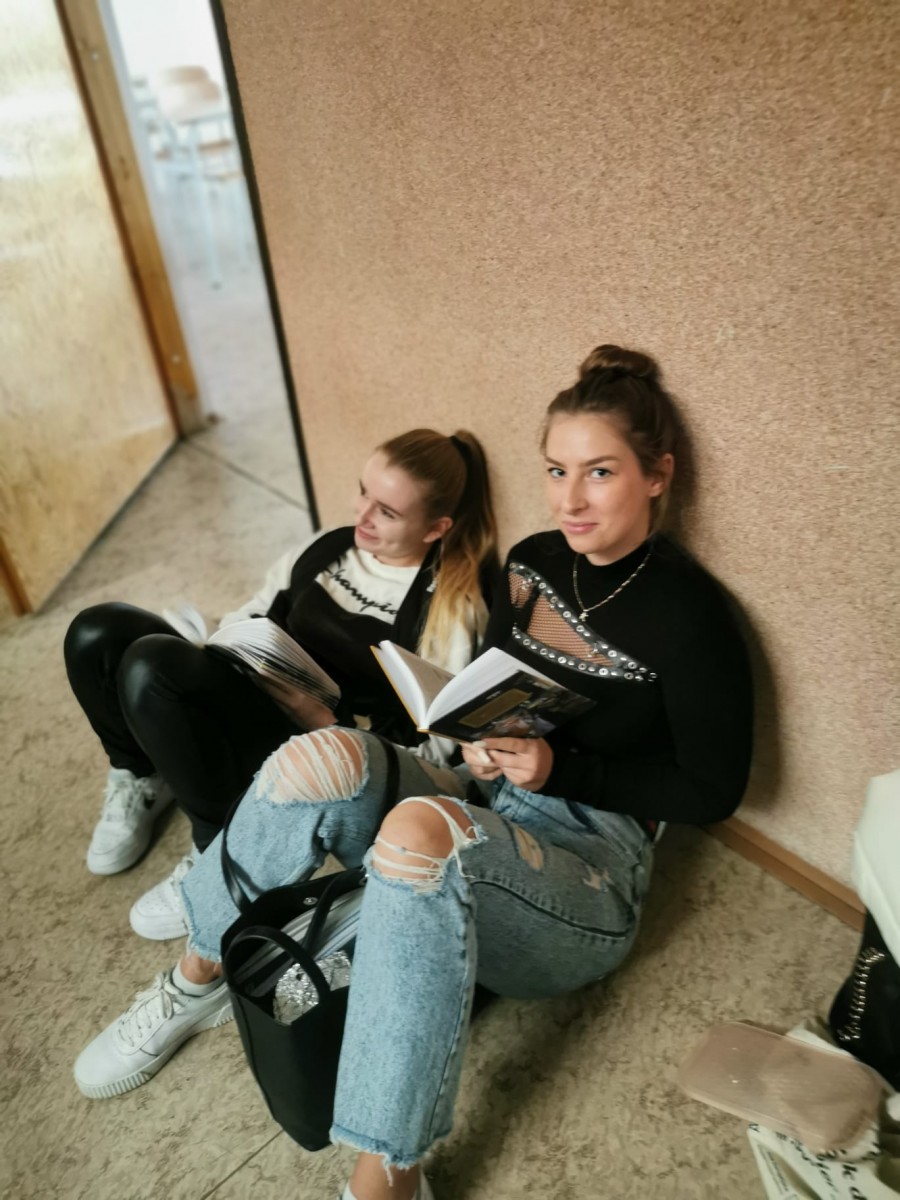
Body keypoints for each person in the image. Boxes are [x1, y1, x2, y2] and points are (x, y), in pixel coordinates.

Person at [75, 346, 753, 1200]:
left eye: (601, 472)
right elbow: (495, 686)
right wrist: (476, 736)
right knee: (324, 758)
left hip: (588, 871)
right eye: (556, 470)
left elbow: (713, 792)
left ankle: (387, 1178)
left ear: (658, 475)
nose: (570, 499)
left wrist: (562, 767)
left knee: (418, 835)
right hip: (486, 796)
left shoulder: (691, 618)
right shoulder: (534, 563)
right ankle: (196, 979)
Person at [64, 428, 498, 939]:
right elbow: (252, 611)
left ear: (435, 528)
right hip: (255, 693)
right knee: (98, 630)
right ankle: (142, 774)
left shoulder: (448, 609)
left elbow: (438, 757)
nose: (361, 515)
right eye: (363, 492)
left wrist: (325, 723)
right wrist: (219, 644)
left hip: (316, 750)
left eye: (386, 512)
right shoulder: (327, 547)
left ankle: (222, 853)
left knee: (150, 666)